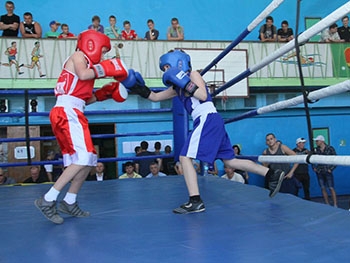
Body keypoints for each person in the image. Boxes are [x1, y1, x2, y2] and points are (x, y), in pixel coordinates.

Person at [120, 49, 285, 214]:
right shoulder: (176, 87)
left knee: (185, 157)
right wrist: (137, 87)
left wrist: (183, 81)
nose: (165, 72)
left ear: (178, 62)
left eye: (167, 67)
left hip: (207, 118)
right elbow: (155, 97)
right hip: (211, 120)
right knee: (230, 161)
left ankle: (195, 200)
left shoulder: (193, 75)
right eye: (164, 69)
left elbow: (203, 94)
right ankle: (272, 174)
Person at [34, 29, 129, 224]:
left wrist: (105, 93)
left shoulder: (89, 70)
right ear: (92, 44)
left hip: (74, 111)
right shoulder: (79, 56)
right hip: (66, 112)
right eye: (103, 51)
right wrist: (107, 68)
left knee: (88, 159)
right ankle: (47, 199)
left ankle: (69, 201)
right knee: (84, 156)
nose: (103, 56)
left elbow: (84, 99)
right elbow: (84, 74)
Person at [312, 135, 337, 207]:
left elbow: (336, 159)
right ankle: (327, 204)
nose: (316, 142)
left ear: (322, 141)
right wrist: (314, 167)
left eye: (317, 141)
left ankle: (335, 204)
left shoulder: (330, 148)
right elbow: (311, 158)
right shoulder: (315, 150)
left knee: (331, 188)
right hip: (320, 171)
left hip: (327, 171)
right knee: (323, 188)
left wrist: (331, 169)